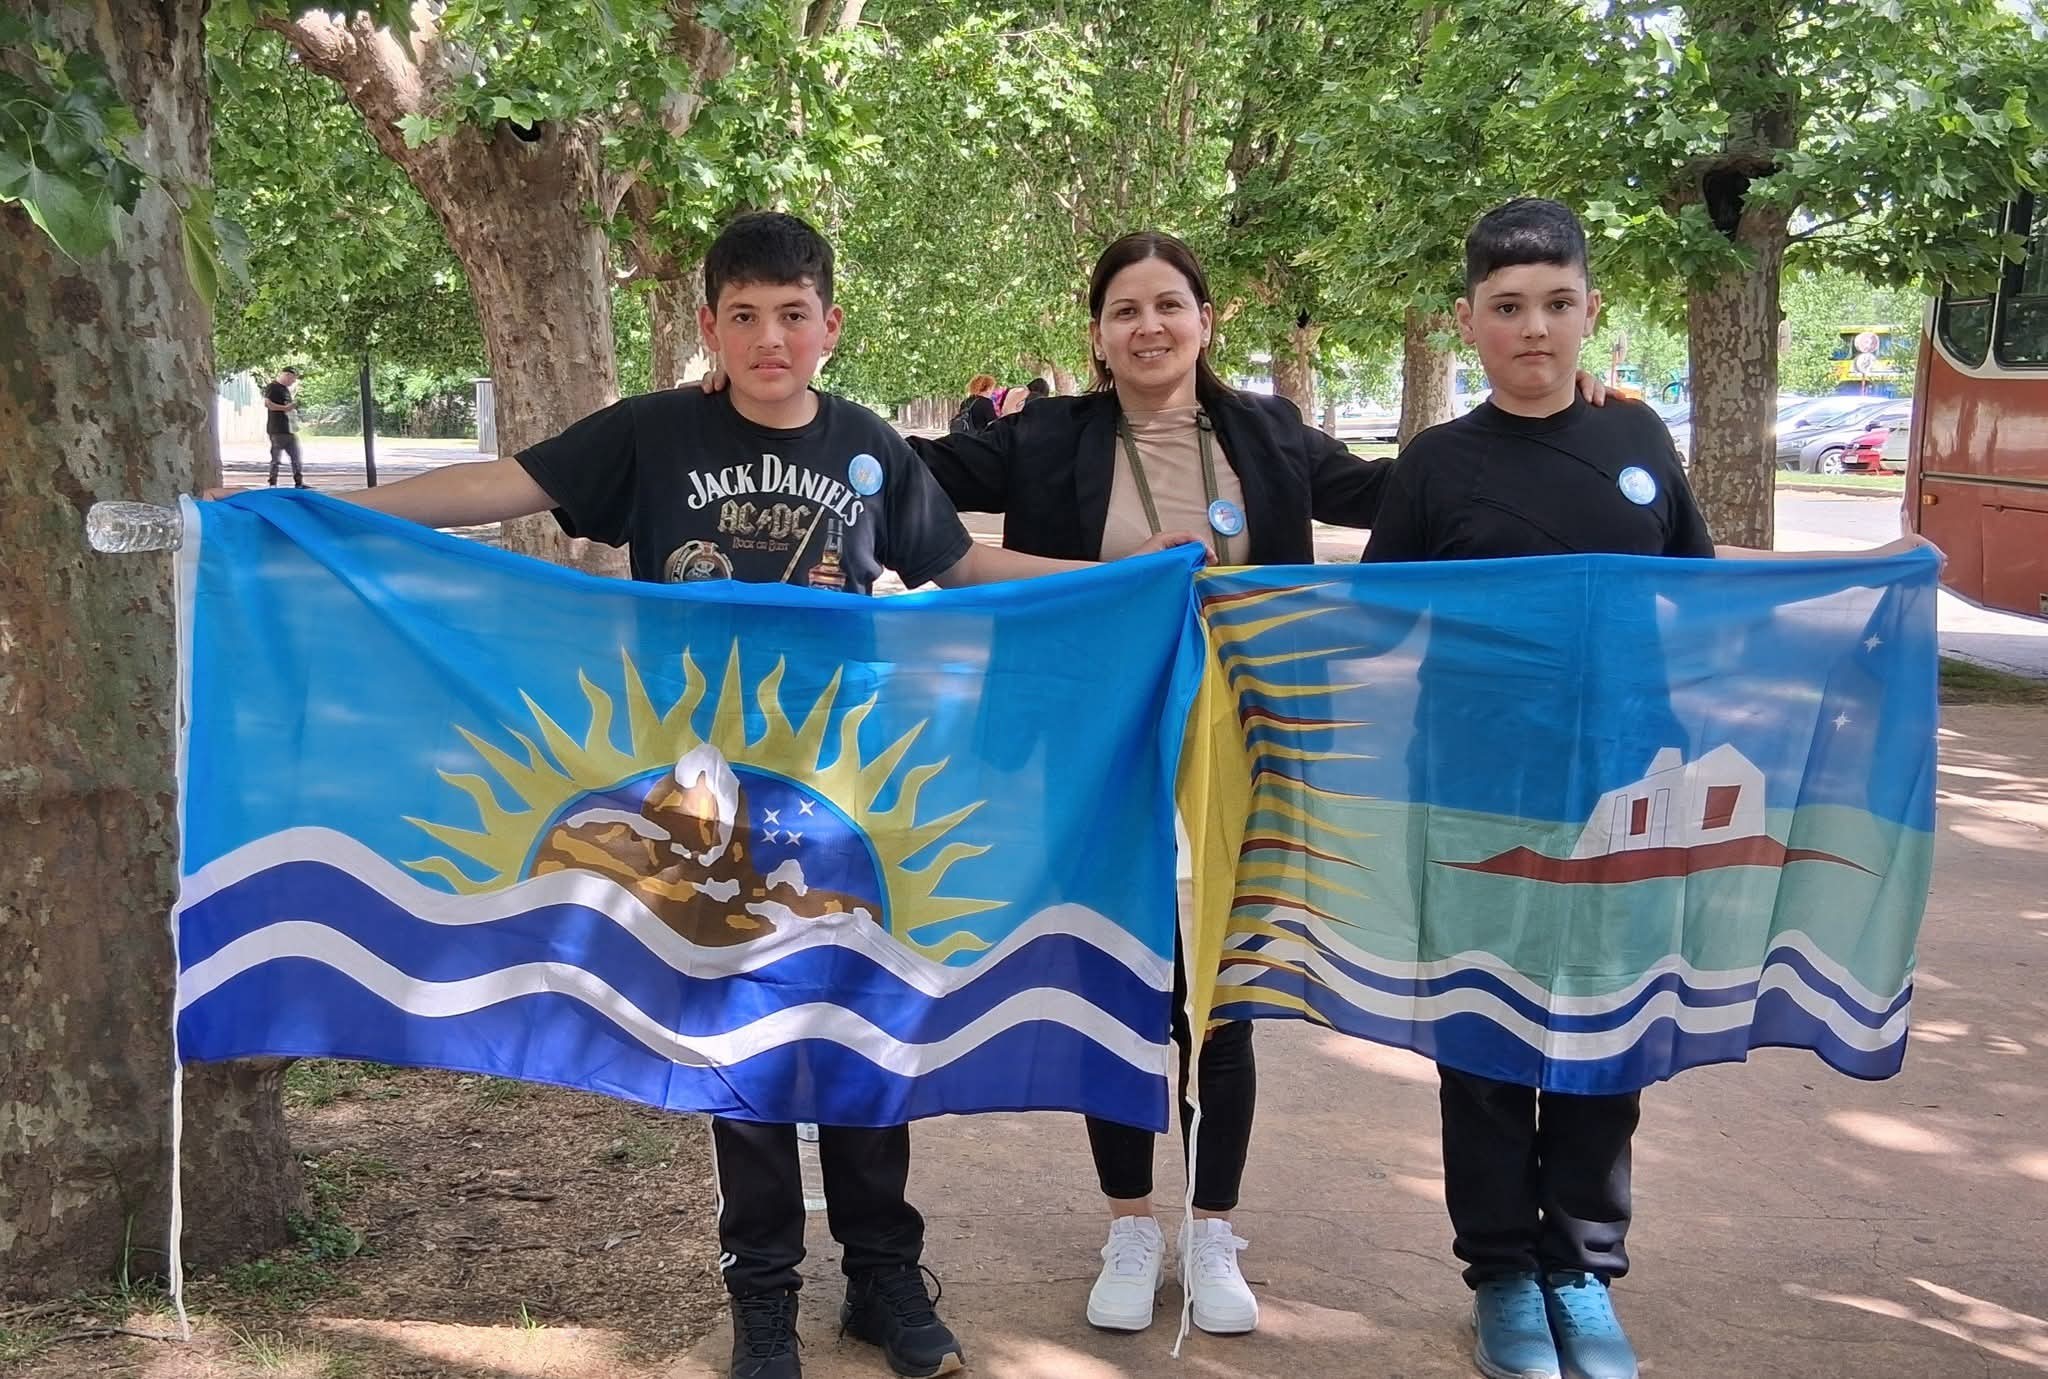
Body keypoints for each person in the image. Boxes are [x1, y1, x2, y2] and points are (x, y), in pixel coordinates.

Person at [220, 212, 1192, 1379]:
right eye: (744, 316)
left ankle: (882, 1275)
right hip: (700, 798)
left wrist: (1139, 576)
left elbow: (966, 567)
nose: (769, 338)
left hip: (847, 797)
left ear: (830, 325)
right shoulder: (651, 434)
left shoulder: (869, 445)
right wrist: (311, 512)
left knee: (861, 1027)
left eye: (792, 315)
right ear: (708, 327)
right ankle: (764, 1294)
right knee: (742, 1048)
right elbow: (500, 482)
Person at [905, 231, 1397, 1340]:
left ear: (1205, 319)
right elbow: (899, 470)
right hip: (1091, 736)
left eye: (1167, 304)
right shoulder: (1045, 438)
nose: (1148, 326)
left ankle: (1210, 1223)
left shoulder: (1264, 433)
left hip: (1248, 735)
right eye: (1123, 310)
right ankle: (1130, 1219)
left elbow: (1412, 493)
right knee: (1115, 975)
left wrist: (1567, 405)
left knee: (1224, 985)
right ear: (1096, 334)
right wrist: (757, 399)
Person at [1362, 197, 1700, 1379]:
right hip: (1473, 797)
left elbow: (1704, 603)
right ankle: (1501, 1271)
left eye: (1555, 303)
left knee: (1608, 1029)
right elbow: (1372, 625)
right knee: (1489, 1040)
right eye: (1505, 308)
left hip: (1621, 792)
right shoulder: (1433, 466)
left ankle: (1581, 1267)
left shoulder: (1639, 440)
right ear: (1468, 324)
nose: (1533, 329)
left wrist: (1865, 585)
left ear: (1588, 309)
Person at [264, 366, 304, 489]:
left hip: (289, 429)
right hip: (277, 429)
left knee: (296, 457)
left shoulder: (286, 390)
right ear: (286, 375)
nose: (293, 382)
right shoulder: (272, 387)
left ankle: (299, 482)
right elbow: (268, 404)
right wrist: (285, 408)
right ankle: (273, 483)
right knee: (276, 458)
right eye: (292, 379)